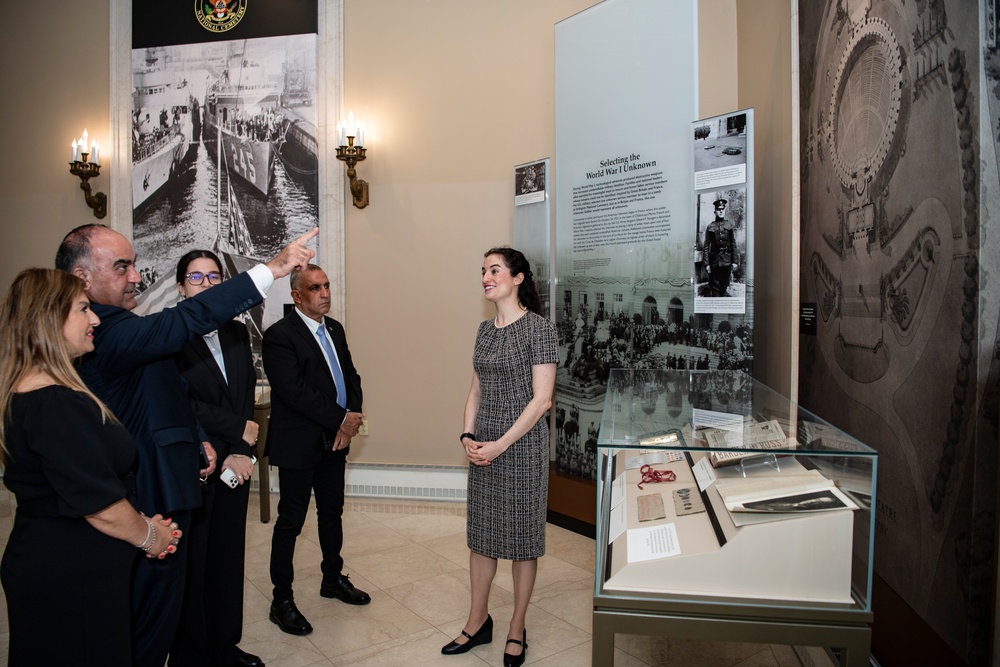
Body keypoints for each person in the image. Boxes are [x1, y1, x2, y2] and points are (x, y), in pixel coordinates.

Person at [55, 223, 316, 667]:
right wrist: (271, 269)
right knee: (148, 627)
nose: (136, 276)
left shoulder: (122, 326)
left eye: (134, 265)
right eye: (122, 266)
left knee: (173, 605)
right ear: (82, 277)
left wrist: (197, 440)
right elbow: (187, 320)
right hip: (149, 501)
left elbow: (164, 396)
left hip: (177, 483)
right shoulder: (108, 334)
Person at [0, 269, 180, 666]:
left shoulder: (41, 392)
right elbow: (99, 504)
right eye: (83, 309)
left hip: (64, 564)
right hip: (70, 576)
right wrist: (153, 536)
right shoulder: (52, 403)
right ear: (49, 319)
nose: (95, 318)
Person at [442, 247, 557, 667]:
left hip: (521, 446)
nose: (486, 277)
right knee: (482, 537)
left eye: (495, 270)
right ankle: (477, 621)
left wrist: (500, 444)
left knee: (523, 542)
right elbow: (475, 390)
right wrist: (468, 435)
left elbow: (542, 400)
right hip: (485, 446)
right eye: (484, 271)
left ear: (518, 278)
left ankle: (516, 627)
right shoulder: (484, 330)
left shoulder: (539, 329)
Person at [263, 264, 367, 636]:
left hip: (334, 441)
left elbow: (350, 375)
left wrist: (351, 418)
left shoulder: (334, 329)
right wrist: (341, 418)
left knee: (332, 512)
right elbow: (294, 392)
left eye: (326, 286)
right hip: (298, 443)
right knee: (290, 521)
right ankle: (282, 600)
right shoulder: (279, 336)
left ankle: (332, 578)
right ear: (296, 296)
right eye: (314, 288)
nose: (324, 293)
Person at [171, 250, 263, 667]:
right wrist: (232, 438)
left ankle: (225, 646)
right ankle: (192, 655)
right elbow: (178, 404)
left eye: (214, 278)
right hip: (196, 466)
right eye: (196, 277)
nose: (206, 285)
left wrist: (242, 451)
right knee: (194, 566)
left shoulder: (236, 332)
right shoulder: (169, 338)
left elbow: (245, 400)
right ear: (180, 287)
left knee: (228, 560)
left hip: (236, 466)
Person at [703, 197, 738, 297]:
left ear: (725, 210)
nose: (721, 211)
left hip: (727, 262)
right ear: (715, 211)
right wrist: (706, 264)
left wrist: (734, 261)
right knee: (715, 288)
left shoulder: (729, 225)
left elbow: (733, 244)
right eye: (719, 209)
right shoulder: (710, 227)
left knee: (724, 288)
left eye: (722, 209)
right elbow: (706, 246)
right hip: (715, 263)